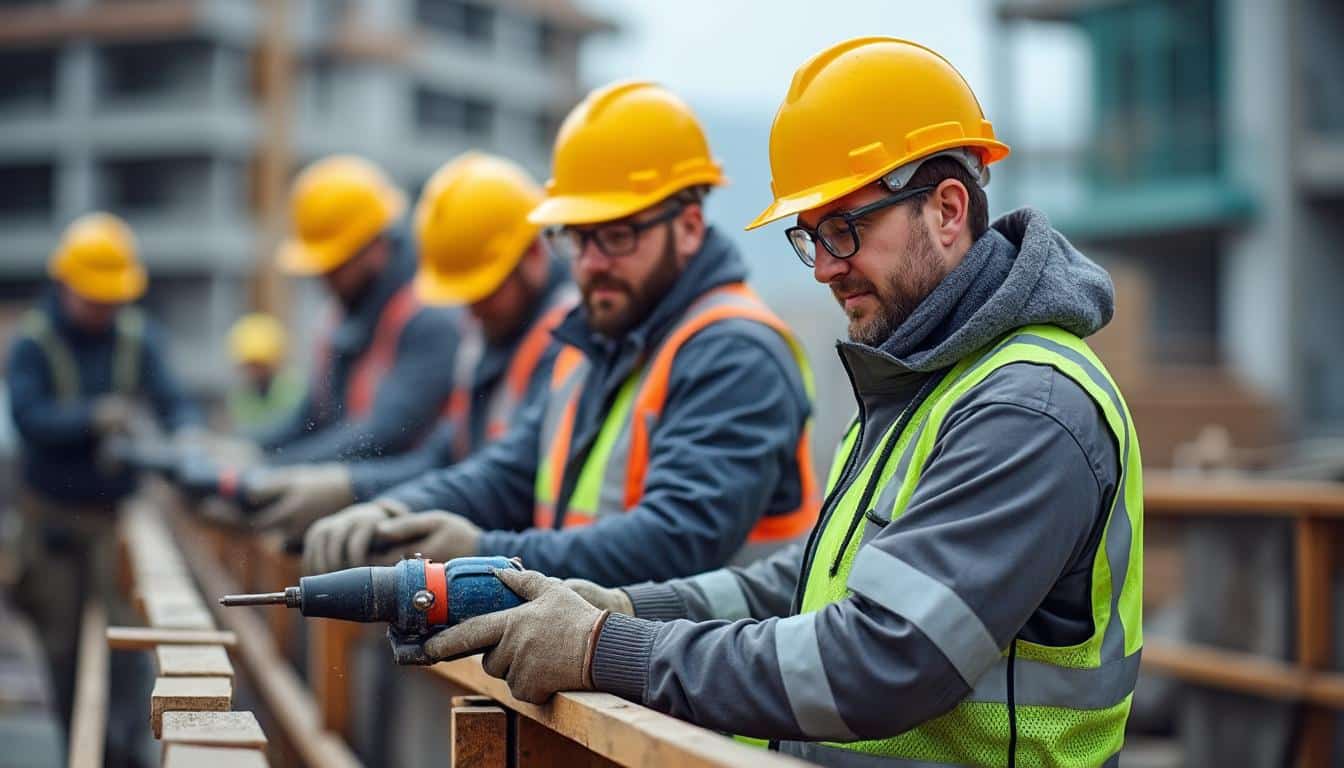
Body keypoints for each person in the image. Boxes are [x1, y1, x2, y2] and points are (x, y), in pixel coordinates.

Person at [414, 38, 1145, 768]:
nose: (825, 267)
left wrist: (609, 649)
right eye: (810, 237)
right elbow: (804, 581)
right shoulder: (928, 377)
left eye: (843, 230)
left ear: (947, 209)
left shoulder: (1028, 409)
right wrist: (625, 609)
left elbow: (882, 659)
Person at [303, 81, 818, 584]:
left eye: (617, 236)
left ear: (687, 226)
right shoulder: (599, 344)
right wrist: (399, 508)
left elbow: (674, 540)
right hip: (605, 659)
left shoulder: (734, 352)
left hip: (706, 667)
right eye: (578, 237)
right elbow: (508, 471)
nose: (592, 264)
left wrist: (483, 554)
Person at [248, 152, 576, 543]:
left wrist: (359, 491)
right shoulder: (485, 337)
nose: (472, 311)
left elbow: (502, 475)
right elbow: (448, 456)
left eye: (484, 291)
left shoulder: (567, 342)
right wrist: (360, 490)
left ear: (534, 256)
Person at [6, 212, 200, 760]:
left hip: (115, 522)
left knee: (125, 649)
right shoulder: (34, 344)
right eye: (95, 298)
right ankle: (78, 748)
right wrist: (94, 417)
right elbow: (28, 417)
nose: (105, 310)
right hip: (52, 523)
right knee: (63, 649)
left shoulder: (139, 338)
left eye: (112, 299)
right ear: (66, 284)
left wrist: (185, 435)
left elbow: (175, 402)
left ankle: (126, 752)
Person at [257, 155, 462, 464]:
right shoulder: (343, 318)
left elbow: (384, 433)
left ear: (376, 247)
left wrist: (276, 469)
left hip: (410, 496)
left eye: (336, 265)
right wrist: (251, 454)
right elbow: (311, 419)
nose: (324, 278)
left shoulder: (429, 319)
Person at [226, 312, 304, 431]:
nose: (253, 372)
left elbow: (289, 428)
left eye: (258, 365)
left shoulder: (293, 389)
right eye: (249, 365)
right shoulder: (243, 394)